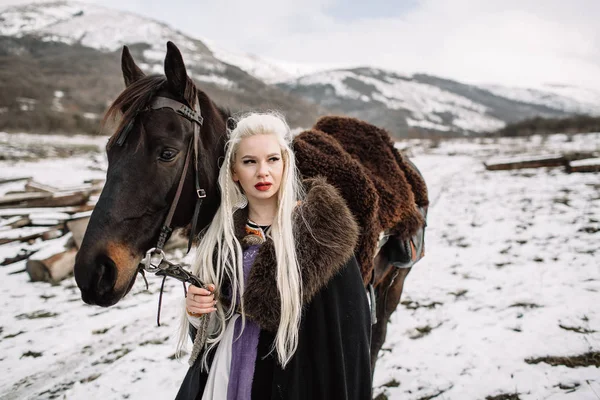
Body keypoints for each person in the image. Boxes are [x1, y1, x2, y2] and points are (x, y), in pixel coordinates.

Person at [175, 112, 372, 400]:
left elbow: (348, 336)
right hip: (226, 374)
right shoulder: (221, 239)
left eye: (272, 160)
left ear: (286, 163)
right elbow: (210, 334)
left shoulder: (322, 234)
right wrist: (197, 312)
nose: (262, 172)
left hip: (297, 378)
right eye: (249, 162)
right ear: (234, 171)